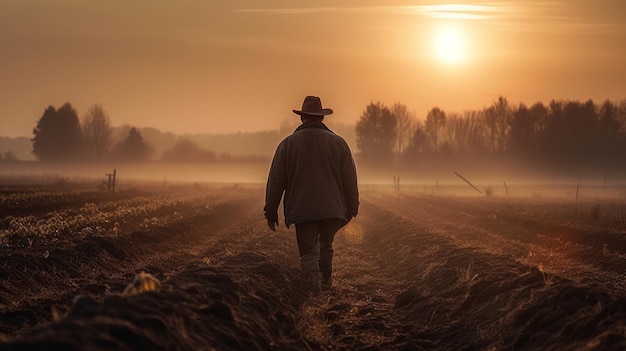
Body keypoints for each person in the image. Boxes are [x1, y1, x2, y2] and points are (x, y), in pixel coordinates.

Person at [264, 95, 359, 292]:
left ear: (302, 118)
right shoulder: (339, 143)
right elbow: (350, 178)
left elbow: (276, 181)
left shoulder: (287, 145)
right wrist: (352, 207)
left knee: (308, 253)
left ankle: (313, 292)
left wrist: (271, 211)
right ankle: (326, 286)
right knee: (326, 245)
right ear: (322, 118)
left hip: (302, 209)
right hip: (333, 209)